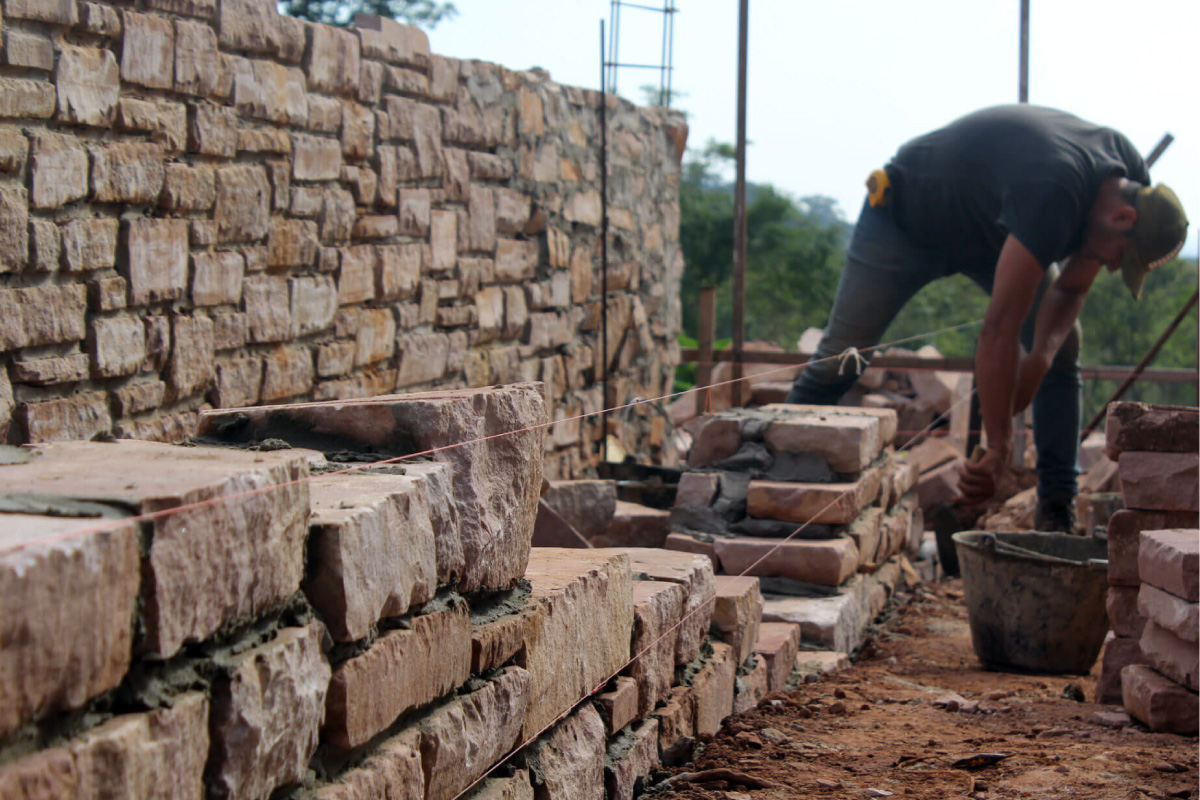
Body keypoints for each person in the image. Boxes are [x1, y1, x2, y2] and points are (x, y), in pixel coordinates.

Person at [784, 105, 1189, 531]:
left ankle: (1056, 509)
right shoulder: (1056, 190)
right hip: (906, 219)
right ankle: (770, 466)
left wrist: (1039, 361)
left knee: (1063, 348)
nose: (1109, 267)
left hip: (996, 235)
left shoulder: (1130, 184)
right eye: (1120, 258)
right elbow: (998, 328)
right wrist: (998, 447)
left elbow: (1070, 289)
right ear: (1122, 218)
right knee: (841, 357)